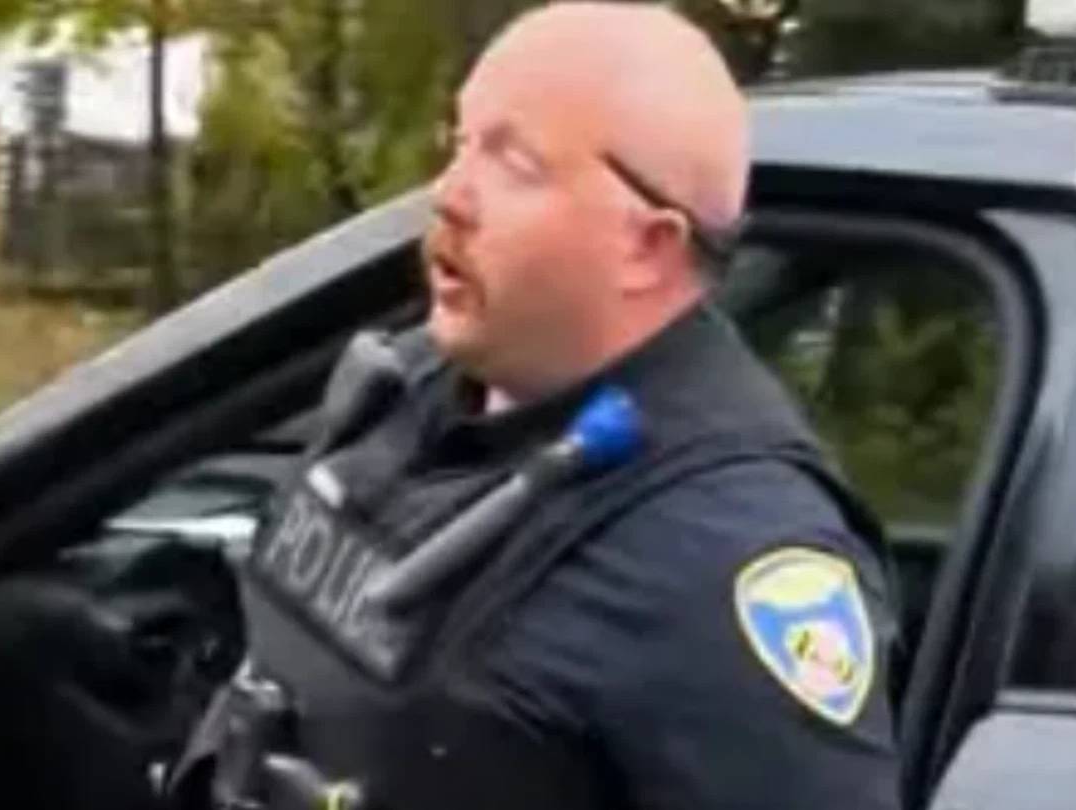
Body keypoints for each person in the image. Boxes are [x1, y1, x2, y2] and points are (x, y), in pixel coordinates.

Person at [176, 4, 903, 809]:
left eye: (514, 164)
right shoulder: (408, 384)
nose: (450, 195)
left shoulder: (727, 553)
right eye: (460, 144)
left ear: (648, 245)